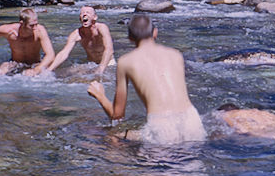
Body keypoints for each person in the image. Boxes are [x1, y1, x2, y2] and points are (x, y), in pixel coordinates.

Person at [87, 14, 206, 144]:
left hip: (161, 128)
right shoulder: (176, 54)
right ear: (155, 32)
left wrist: (100, 95)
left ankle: (120, 164)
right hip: (193, 122)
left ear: (130, 38)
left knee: (112, 136)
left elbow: (117, 116)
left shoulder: (126, 61)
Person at [47, 6, 114, 75]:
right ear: (80, 18)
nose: (85, 14)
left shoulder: (101, 28)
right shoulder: (77, 34)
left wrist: (101, 68)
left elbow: (109, 49)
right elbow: (64, 53)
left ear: (95, 17)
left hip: (108, 63)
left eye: (88, 12)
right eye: (82, 13)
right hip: (92, 64)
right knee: (69, 72)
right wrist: (49, 70)